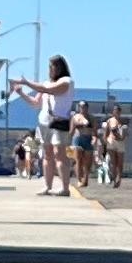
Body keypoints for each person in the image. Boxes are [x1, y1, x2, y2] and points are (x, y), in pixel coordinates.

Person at [35, 58, 82, 195]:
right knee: (47, 154)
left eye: (54, 67)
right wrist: (21, 91)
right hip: (45, 122)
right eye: (50, 67)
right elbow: (36, 102)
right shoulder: (47, 83)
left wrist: (26, 82)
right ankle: (47, 186)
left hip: (60, 121)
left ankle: (65, 188)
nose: (51, 70)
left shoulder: (66, 81)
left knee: (60, 155)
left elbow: (51, 90)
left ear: (60, 68)